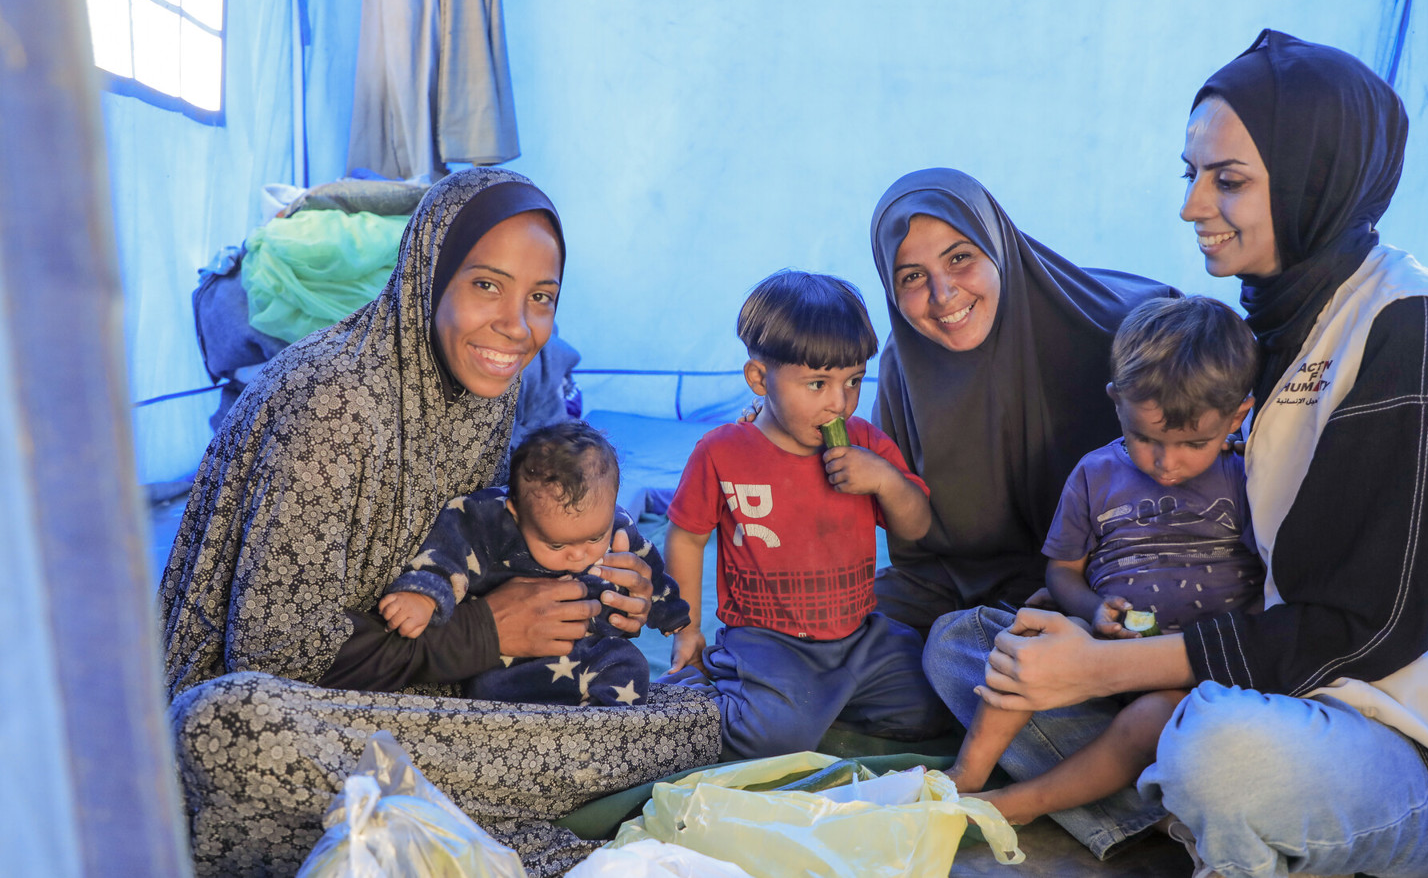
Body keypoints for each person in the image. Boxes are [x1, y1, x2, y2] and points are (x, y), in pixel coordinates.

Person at [925, 30, 1428, 878]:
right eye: (1192, 174)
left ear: (1311, 180)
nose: (1192, 205)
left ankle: (1176, 796)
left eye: (1228, 181)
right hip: (1272, 685)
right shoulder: (1269, 323)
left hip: (1405, 745)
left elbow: (1368, 630)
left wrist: (1101, 668)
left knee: (1218, 750)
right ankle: (1176, 807)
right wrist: (1084, 635)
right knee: (973, 643)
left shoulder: (1408, 325)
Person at [159, 168, 718, 878]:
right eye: (487, 284)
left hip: (416, 699)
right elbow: (272, 660)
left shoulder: (488, 393)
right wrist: (485, 633)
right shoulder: (333, 406)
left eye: (541, 298)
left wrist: (589, 585)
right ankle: (583, 768)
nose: (518, 327)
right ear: (430, 272)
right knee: (225, 727)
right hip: (283, 713)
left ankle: (466, 800)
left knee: (645, 704)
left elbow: (481, 552)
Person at [945, 295, 1263, 827]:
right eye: (1145, 438)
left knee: (1156, 722)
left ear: (1238, 415)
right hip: (1106, 644)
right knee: (996, 641)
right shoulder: (1095, 475)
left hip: (1194, 676)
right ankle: (966, 775)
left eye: (1193, 443)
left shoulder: (1246, 474)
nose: (1166, 462)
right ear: (1117, 401)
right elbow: (1062, 572)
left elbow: (1273, 584)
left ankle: (1025, 803)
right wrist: (1091, 609)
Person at [869, 168, 1178, 632]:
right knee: (829, 636)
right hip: (960, 587)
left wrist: (1077, 588)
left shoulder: (1118, 332)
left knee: (956, 658)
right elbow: (916, 552)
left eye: (960, 257)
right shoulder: (905, 364)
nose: (943, 293)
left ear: (998, 246)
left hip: (1111, 583)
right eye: (913, 275)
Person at [663, 269, 947, 759]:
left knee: (936, 709)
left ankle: (809, 702)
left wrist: (885, 480)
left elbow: (917, 526)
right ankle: (722, 687)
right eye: (817, 383)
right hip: (768, 640)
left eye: (854, 380)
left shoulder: (867, 445)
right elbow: (685, 537)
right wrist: (687, 630)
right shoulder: (722, 452)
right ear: (759, 378)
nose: (839, 403)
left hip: (860, 636)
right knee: (773, 740)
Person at [378, 420, 691, 706]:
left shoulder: (618, 524)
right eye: (556, 544)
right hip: (513, 658)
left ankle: (601, 729)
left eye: (594, 538)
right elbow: (447, 555)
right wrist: (423, 595)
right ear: (516, 513)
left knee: (631, 666)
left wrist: (671, 613)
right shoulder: (489, 521)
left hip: (594, 647)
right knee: (489, 688)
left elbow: (651, 569)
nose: (579, 555)